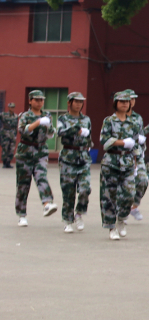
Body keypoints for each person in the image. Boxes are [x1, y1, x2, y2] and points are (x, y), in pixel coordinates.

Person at [99, 91, 141, 239]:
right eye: (121, 101)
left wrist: (136, 164)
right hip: (111, 162)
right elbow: (104, 140)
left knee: (129, 194)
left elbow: (136, 145)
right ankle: (111, 227)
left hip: (128, 162)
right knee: (109, 196)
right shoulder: (109, 121)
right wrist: (121, 143)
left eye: (127, 101)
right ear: (115, 104)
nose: (124, 104)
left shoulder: (134, 123)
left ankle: (122, 219)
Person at [15, 90, 59, 226]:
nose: (39, 102)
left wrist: (50, 128)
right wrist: (38, 122)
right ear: (30, 101)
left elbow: (50, 133)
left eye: (41, 100)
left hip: (40, 151)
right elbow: (22, 130)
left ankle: (47, 204)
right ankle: (22, 215)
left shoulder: (47, 115)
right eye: (36, 100)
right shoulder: (25, 115)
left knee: (41, 177)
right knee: (23, 185)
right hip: (25, 153)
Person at [56, 92, 93, 233]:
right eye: (76, 101)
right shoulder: (63, 118)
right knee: (68, 192)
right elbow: (60, 132)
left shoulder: (86, 119)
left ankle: (79, 212)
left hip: (83, 157)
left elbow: (89, 135)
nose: (78, 104)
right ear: (69, 103)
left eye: (80, 102)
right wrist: (75, 130)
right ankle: (67, 220)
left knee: (85, 189)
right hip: (68, 158)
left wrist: (88, 141)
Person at [124, 90, 148, 222]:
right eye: (129, 99)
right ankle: (123, 209)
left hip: (137, 154)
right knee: (124, 185)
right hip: (122, 155)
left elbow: (141, 134)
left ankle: (134, 206)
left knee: (143, 180)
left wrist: (142, 148)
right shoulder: (117, 117)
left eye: (133, 99)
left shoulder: (138, 117)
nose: (132, 101)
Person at [1, 101, 18, 168]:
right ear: (8, 108)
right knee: (5, 148)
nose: (12, 109)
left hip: (13, 134)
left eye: (13, 107)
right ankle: (4, 162)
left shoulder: (16, 116)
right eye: (11, 107)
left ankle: (8, 162)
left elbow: (16, 125)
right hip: (5, 133)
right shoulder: (3, 114)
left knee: (11, 148)